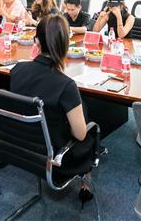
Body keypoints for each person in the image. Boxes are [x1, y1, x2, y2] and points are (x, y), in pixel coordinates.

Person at [11, 15, 97, 203]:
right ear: (67, 44)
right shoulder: (66, 85)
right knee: (87, 121)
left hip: (21, 147)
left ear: (36, 41)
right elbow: (80, 134)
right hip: (56, 158)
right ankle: (86, 180)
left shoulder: (17, 70)